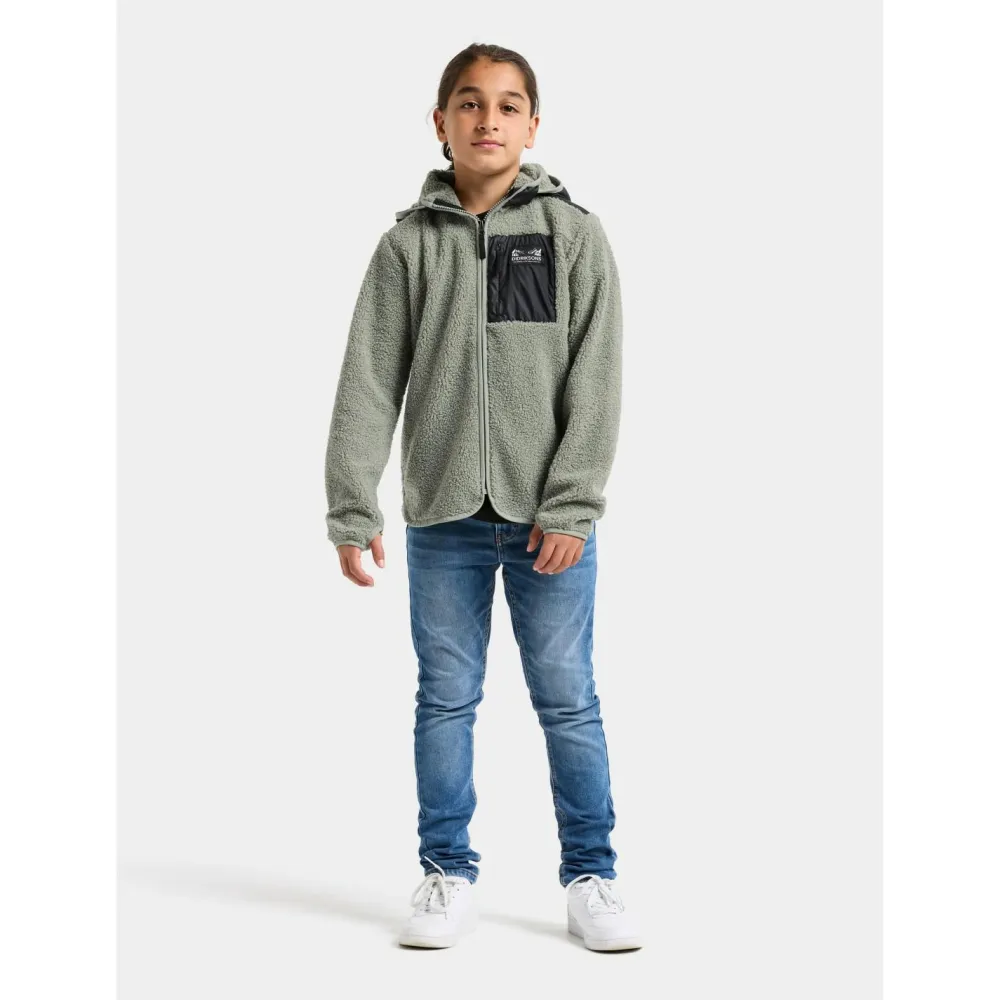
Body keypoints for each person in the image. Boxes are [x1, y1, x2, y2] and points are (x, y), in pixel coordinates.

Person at [324, 42, 640, 952]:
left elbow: (597, 378)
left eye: (507, 105)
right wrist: (352, 504)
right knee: (445, 699)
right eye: (469, 103)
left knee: (569, 701)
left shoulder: (572, 235)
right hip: (444, 518)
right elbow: (369, 380)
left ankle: (592, 875)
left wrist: (572, 505)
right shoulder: (407, 247)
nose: (487, 119)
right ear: (441, 122)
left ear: (532, 126)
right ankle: (445, 873)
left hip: (549, 525)